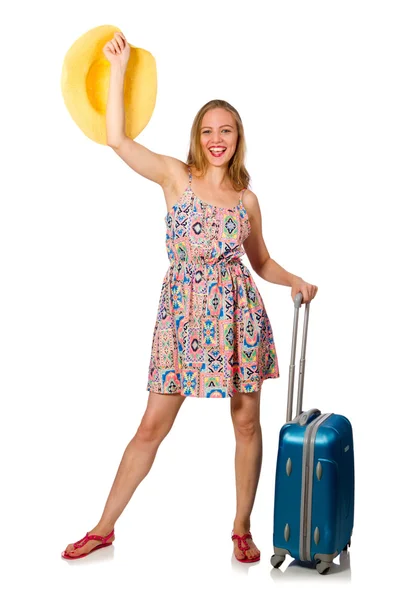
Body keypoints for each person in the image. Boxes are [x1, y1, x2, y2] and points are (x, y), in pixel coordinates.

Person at [61, 31, 318, 562]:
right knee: (151, 425)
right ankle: (104, 526)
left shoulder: (247, 200)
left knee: (247, 422)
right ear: (197, 138)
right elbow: (117, 140)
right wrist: (118, 69)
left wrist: (294, 280)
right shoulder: (176, 177)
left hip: (237, 320)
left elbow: (261, 261)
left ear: (238, 137)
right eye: (208, 131)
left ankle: (241, 528)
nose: (217, 139)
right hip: (181, 320)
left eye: (226, 131)